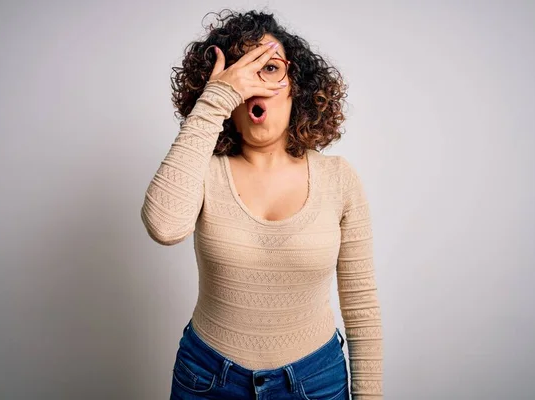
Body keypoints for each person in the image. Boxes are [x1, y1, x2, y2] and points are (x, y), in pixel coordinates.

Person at [141, 9, 383, 400]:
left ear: (296, 88)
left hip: (316, 382)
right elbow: (164, 227)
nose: (255, 84)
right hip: (207, 380)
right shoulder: (203, 171)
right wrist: (216, 99)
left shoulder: (339, 178)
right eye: (241, 72)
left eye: (269, 69)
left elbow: (361, 307)